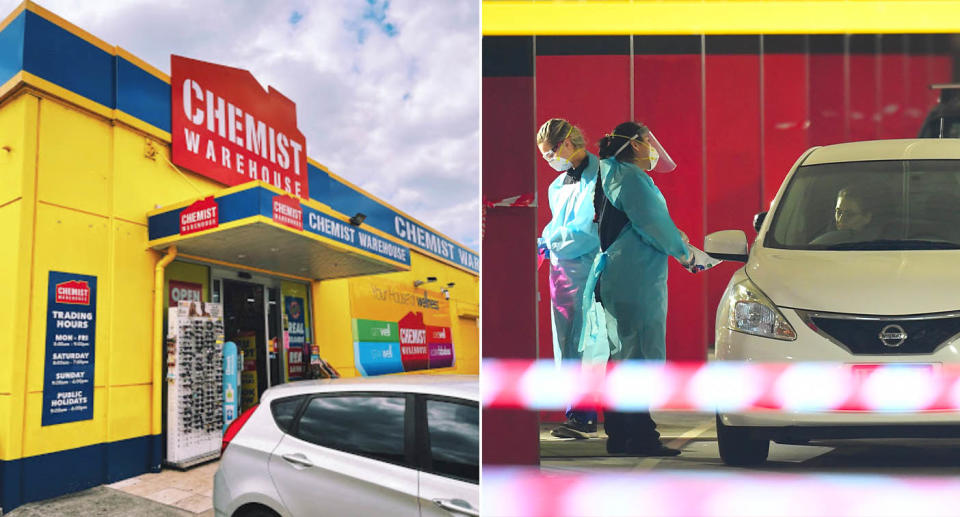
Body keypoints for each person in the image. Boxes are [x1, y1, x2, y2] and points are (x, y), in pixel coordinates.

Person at [582, 121, 692, 456]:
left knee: (620, 357)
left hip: (618, 276)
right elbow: (653, 224)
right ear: (633, 145)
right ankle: (641, 437)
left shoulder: (610, 174)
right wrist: (686, 252)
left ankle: (620, 436)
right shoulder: (631, 178)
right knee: (638, 356)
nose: (652, 148)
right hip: (635, 277)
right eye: (647, 141)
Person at [536, 118, 608, 439]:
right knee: (565, 346)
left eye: (550, 154)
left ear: (567, 144)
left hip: (588, 271)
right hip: (560, 275)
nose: (549, 161)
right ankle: (574, 413)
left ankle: (584, 416)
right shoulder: (557, 186)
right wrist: (543, 241)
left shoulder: (602, 177)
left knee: (588, 344)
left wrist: (551, 240)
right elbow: (556, 226)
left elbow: (588, 232)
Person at [810, 185, 881, 245]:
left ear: (867, 217)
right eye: (839, 212)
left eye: (849, 215)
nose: (841, 219)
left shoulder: (879, 245)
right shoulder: (822, 241)